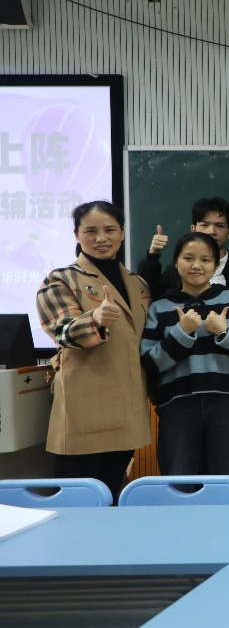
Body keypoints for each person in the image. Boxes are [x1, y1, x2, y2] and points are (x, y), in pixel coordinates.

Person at [36, 201, 152, 498]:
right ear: (77, 235)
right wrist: (95, 319)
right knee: (77, 498)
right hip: (84, 407)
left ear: (122, 233)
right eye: (91, 231)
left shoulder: (138, 284)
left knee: (112, 492)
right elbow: (61, 331)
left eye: (110, 230)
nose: (102, 238)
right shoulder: (60, 279)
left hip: (127, 405)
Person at [141, 232, 229, 478]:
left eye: (206, 260)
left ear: (215, 265)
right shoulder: (160, 307)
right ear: (176, 263)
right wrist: (182, 333)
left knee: (227, 476)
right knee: (179, 476)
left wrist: (224, 332)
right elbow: (150, 363)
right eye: (188, 258)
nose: (197, 265)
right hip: (178, 404)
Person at [137, 197, 229, 296]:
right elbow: (144, 293)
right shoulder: (177, 271)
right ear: (193, 229)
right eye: (204, 225)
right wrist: (153, 255)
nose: (211, 231)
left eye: (219, 226)